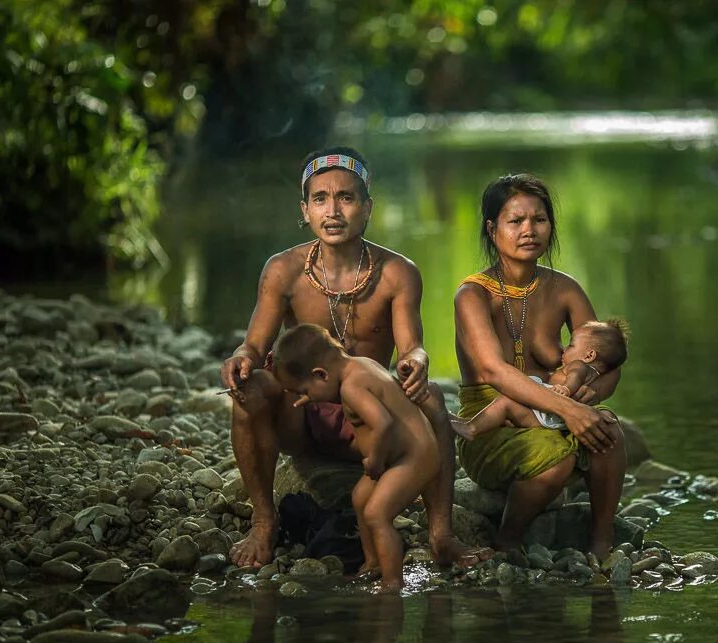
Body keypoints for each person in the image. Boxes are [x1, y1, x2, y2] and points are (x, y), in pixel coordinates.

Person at [220, 146, 487, 569]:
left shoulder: (397, 272)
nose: (333, 211)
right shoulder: (282, 270)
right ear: (304, 209)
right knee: (249, 389)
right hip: (302, 415)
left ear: (367, 207)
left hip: (365, 419)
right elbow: (253, 346)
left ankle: (442, 536)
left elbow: (411, 345)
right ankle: (263, 521)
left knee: (432, 397)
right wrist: (240, 358)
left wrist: (415, 362)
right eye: (321, 198)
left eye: (346, 198)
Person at [454, 173, 627, 559]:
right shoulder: (472, 295)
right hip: (493, 422)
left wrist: (590, 394)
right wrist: (570, 409)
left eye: (539, 220)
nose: (529, 230)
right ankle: (508, 539)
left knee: (610, 431)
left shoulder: (565, 288)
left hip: (554, 414)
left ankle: (602, 541)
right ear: (492, 228)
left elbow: (608, 360)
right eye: (515, 221)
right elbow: (495, 372)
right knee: (556, 457)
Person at [271, 324, 439, 591]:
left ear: (321, 374)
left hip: (414, 456)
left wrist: (375, 459)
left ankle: (392, 582)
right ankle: (372, 562)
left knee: (376, 513)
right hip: (406, 451)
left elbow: (382, 423)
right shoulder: (361, 366)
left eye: (303, 392)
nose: (305, 400)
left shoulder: (351, 387)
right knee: (360, 497)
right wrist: (312, 396)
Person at [452, 318, 629, 440]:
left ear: (589, 355)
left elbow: (575, 378)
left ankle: (471, 428)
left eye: (571, 344)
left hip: (551, 412)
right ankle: (471, 423)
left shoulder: (579, 366)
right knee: (511, 407)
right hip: (554, 416)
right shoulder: (591, 371)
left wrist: (566, 389)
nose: (564, 349)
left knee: (506, 402)